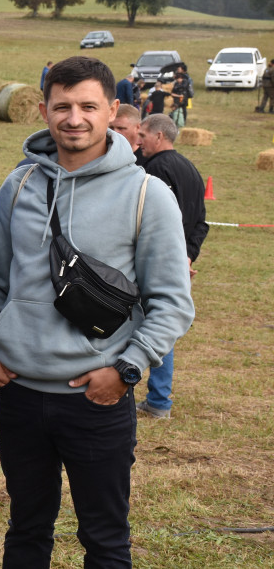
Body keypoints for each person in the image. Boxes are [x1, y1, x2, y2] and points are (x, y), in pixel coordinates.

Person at [0, 56, 194, 568]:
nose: (75, 118)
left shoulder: (147, 194)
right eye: (62, 106)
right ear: (44, 110)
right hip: (20, 397)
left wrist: (126, 370)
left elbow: (173, 303)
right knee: (26, 531)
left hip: (97, 403)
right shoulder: (19, 185)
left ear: (112, 110)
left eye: (88, 106)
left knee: (105, 539)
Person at [136, 113, 208, 419]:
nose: (138, 142)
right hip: (177, 259)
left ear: (159, 137)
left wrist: (174, 257)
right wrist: (187, 256)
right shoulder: (190, 168)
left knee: (151, 322)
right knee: (162, 320)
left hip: (157, 260)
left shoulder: (154, 171)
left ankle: (158, 400)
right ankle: (158, 399)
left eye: (142, 136)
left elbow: (158, 222)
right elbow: (200, 222)